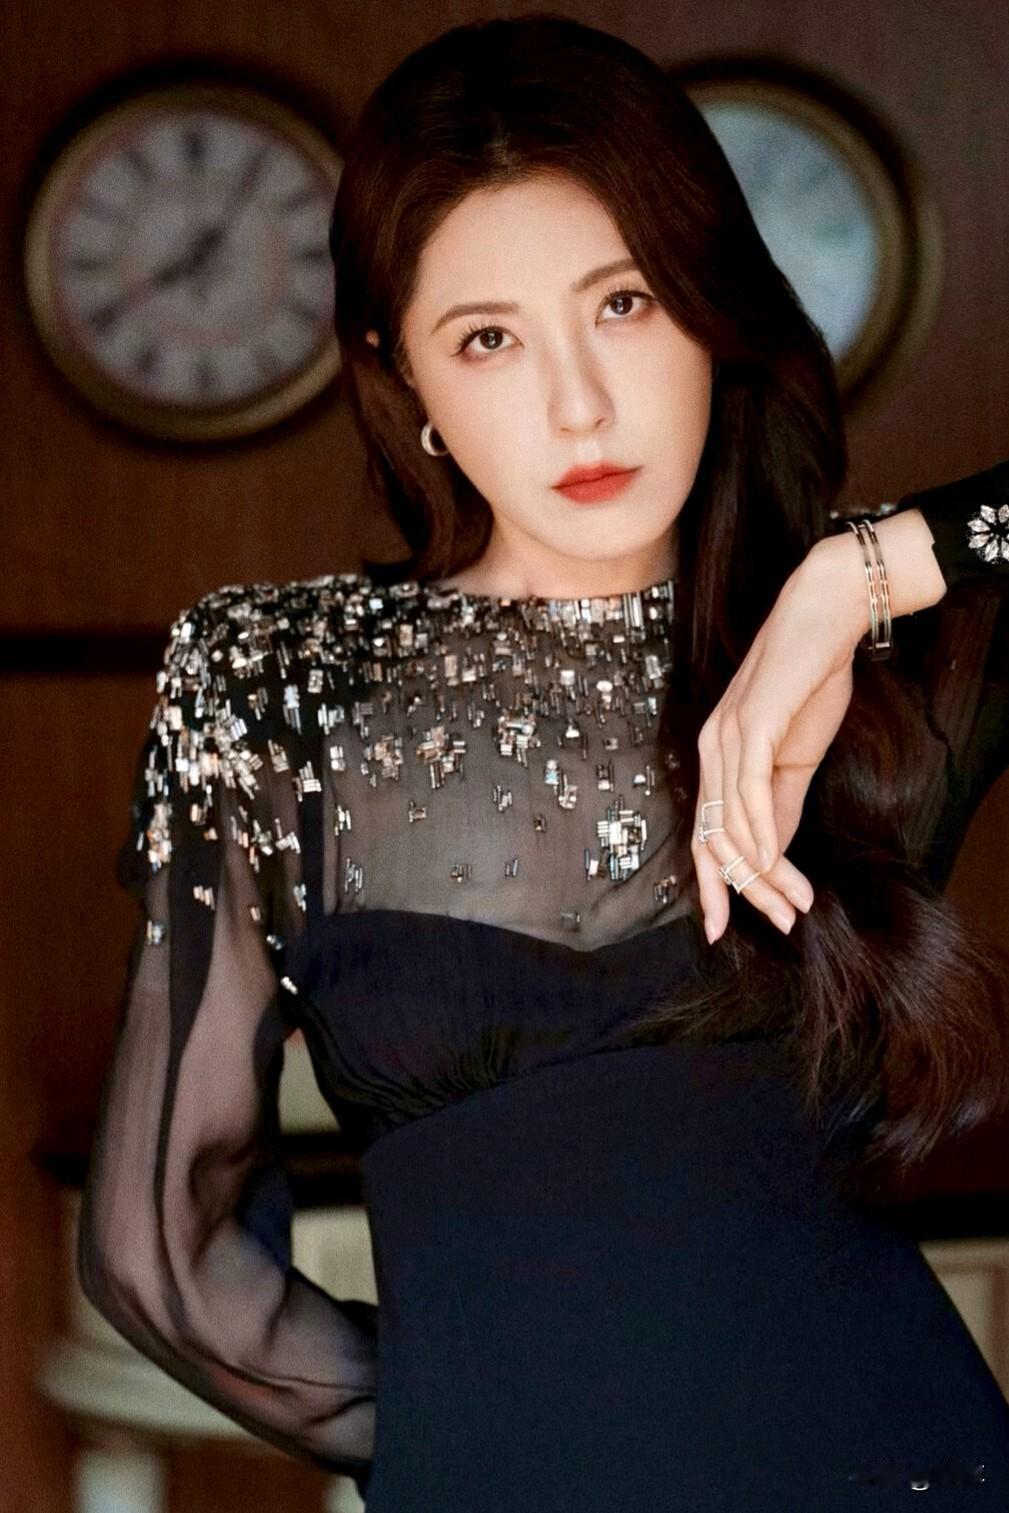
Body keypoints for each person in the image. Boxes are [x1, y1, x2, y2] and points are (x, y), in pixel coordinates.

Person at [78, 15, 1009, 1509]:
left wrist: (855, 580)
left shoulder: (882, 658)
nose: (578, 403)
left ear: (709, 307)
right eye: (489, 338)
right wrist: (471, 1432)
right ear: (404, 378)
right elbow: (155, 1251)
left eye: (624, 302)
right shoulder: (273, 683)